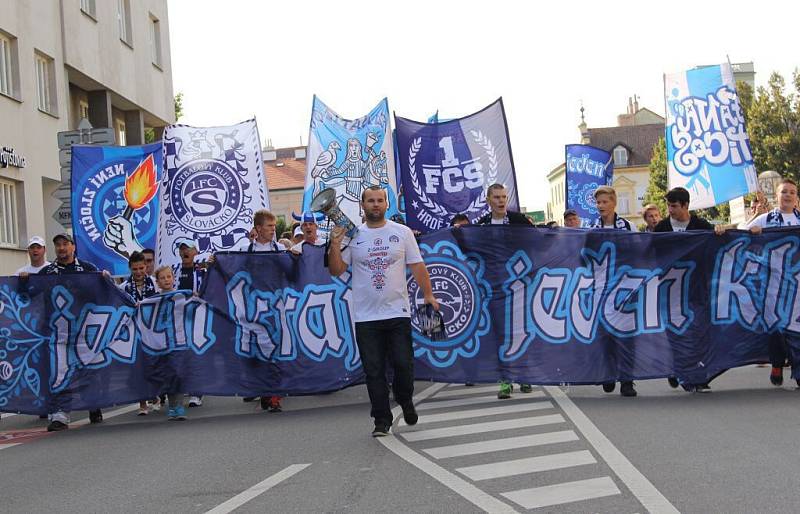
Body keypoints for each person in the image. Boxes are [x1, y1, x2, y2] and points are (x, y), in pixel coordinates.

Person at [327, 185, 439, 437]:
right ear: (362, 205)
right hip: (366, 317)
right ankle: (381, 419)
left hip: (397, 312)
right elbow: (335, 270)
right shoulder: (352, 235)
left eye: (380, 200)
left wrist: (429, 294)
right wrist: (334, 244)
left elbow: (418, 265)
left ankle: (405, 398)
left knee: (403, 364)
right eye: (370, 201)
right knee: (373, 370)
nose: (375, 204)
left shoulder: (402, 232)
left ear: (386, 204)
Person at [38, 233, 104, 431]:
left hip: (84, 329)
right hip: (59, 333)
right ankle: (60, 415)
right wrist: (24, 281)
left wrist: (104, 279)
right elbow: (28, 294)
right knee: (60, 373)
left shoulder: (87, 269)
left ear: (73, 247)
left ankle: (93, 404)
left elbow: (101, 293)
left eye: (65, 244)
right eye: (57, 245)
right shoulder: (47, 272)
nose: (61, 248)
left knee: (88, 370)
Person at [654, 187, 716, 392]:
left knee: (699, 332)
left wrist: (721, 233)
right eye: (668, 206)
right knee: (676, 333)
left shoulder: (701, 225)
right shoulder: (662, 227)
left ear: (686, 205)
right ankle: (680, 370)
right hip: (671, 290)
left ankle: (698, 375)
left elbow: (715, 246)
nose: (670, 210)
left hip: (697, 288)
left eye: (674, 206)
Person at [477, 183, 533, 398]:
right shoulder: (482, 225)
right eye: (497, 197)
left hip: (518, 284)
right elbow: (468, 247)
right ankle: (505, 380)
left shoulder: (518, 220)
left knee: (520, 331)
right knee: (500, 334)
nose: (501, 201)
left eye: (504, 197)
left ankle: (525, 376)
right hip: (494, 286)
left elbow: (536, 241)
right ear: (488, 200)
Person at [746, 179, 800, 387]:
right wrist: (753, 231)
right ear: (776, 196)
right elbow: (740, 234)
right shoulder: (766, 219)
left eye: (792, 192)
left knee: (797, 328)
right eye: (784, 192)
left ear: (796, 197)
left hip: (797, 284)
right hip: (773, 282)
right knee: (776, 327)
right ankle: (777, 363)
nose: (787, 195)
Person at [233, 209, 286, 411]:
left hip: (275, 308)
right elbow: (233, 270)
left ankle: (273, 396)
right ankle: (262, 389)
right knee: (255, 353)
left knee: (273, 350)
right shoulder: (246, 251)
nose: (273, 229)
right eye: (269, 226)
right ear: (258, 228)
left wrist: (297, 258)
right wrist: (215, 262)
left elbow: (292, 272)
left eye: (274, 226)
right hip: (253, 309)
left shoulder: (280, 248)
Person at [591, 186, 638, 397]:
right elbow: (584, 257)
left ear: (614, 202)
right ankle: (609, 372)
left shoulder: (628, 227)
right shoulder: (591, 229)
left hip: (625, 288)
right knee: (605, 334)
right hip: (600, 288)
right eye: (598, 203)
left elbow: (641, 253)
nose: (601, 206)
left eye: (604, 202)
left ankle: (627, 380)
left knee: (627, 335)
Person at [119, 252, 160, 415]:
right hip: (133, 330)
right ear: (130, 268)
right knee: (137, 366)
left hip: (152, 330)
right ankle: (142, 403)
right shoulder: (123, 288)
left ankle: (155, 395)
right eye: (135, 269)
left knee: (152, 365)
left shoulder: (155, 284)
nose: (138, 272)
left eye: (141, 268)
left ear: (146, 266)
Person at [174, 240, 207, 407]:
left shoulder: (202, 271)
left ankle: (197, 392)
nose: (184, 251)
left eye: (188, 248)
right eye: (182, 249)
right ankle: (188, 384)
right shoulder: (173, 271)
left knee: (196, 352)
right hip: (178, 319)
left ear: (195, 251)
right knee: (182, 354)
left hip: (197, 317)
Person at [154, 265, 187, 421]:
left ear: (174, 278)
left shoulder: (181, 296)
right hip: (163, 344)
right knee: (169, 375)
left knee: (179, 373)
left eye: (169, 277)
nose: (166, 280)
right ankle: (172, 405)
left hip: (179, 342)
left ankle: (179, 405)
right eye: (162, 278)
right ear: (158, 282)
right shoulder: (154, 300)